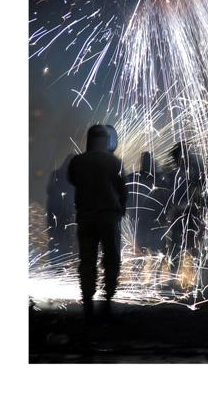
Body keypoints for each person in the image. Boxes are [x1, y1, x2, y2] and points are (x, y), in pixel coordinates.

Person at [68, 124, 128, 322]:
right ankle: (108, 299)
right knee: (111, 258)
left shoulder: (77, 161)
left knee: (87, 260)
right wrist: (121, 209)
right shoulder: (114, 162)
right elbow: (123, 190)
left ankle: (88, 302)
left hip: (86, 217)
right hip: (109, 217)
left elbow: (73, 180)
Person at [46, 154, 76, 261]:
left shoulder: (55, 174)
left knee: (54, 237)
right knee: (64, 239)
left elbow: (48, 190)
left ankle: (54, 261)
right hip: (65, 213)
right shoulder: (74, 179)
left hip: (53, 211)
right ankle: (60, 261)